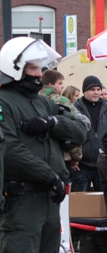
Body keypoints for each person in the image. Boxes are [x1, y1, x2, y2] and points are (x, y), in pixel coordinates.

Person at [0, 37, 87, 253]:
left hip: (49, 198)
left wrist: (53, 122)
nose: (39, 74)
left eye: (40, 67)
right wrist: (50, 176)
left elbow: (80, 131)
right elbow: (9, 151)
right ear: (15, 68)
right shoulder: (4, 101)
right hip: (22, 200)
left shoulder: (43, 102)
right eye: (33, 68)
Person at [72, 75, 107, 191]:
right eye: (92, 90)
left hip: (103, 165)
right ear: (85, 91)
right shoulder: (74, 109)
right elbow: (69, 134)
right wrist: (72, 157)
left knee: (103, 204)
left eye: (98, 89)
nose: (96, 93)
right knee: (80, 205)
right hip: (81, 166)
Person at [40, 69, 90, 164]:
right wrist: (76, 156)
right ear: (50, 85)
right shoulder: (62, 100)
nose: (63, 86)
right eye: (60, 83)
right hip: (61, 155)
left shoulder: (34, 98)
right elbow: (72, 128)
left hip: (40, 153)